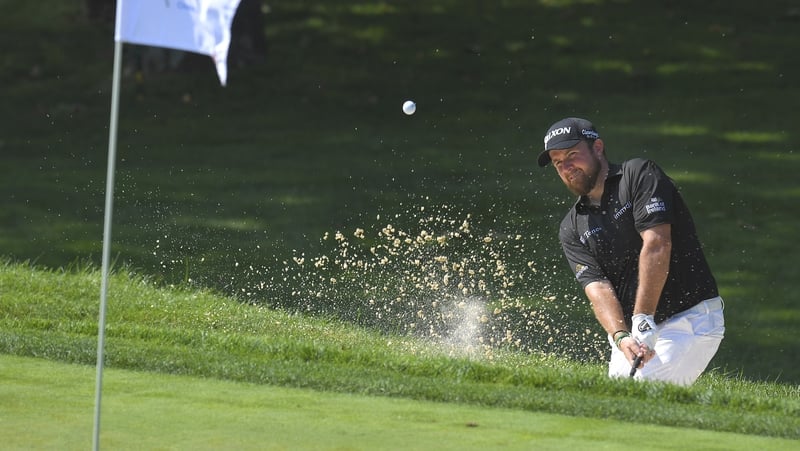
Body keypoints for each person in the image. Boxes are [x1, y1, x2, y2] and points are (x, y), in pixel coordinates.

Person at [537, 117, 725, 385]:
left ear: (597, 147)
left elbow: (657, 243)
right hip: (635, 333)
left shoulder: (639, 175)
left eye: (572, 155)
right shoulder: (572, 226)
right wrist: (621, 335)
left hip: (689, 320)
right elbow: (597, 287)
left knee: (637, 392)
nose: (567, 168)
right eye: (558, 163)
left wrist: (643, 318)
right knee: (619, 398)